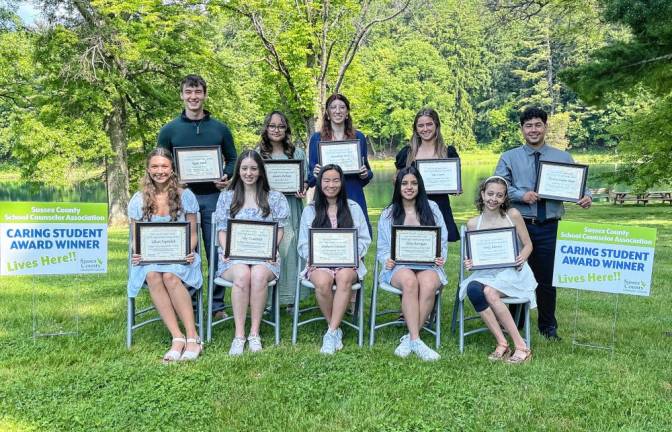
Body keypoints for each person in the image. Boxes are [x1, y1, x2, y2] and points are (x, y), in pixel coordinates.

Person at [495, 107, 592, 340]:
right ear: (521, 129)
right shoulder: (509, 157)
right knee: (516, 273)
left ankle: (548, 328)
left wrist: (585, 196)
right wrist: (521, 195)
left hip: (550, 225)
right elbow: (498, 186)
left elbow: (579, 185)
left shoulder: (563, 157)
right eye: (528, 126)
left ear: (545, 127)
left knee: (548, 279)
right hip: (520, 226)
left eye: (538, 124)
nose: (533, 130)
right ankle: (515, 324)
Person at [158, 74, 237, 318]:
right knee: (186, 252)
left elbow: (233, 158)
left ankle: (216, 306)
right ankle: (189, 305)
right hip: (181, 200)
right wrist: (174, 181)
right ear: (182, 95)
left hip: (214, 198)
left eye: (198, 92)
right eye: (188, 92)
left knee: (216, 252)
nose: (193, 97)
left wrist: (226, 175)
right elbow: (160, 162)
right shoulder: (170, 130)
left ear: (204, 94)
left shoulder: (220, 128)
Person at [127, 148, 203, 362]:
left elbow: (193, 233)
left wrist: (189, 250)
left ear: (172, 169)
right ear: (148, 169)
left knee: (169, 275)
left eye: (164, 166)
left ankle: (193, 336)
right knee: (152, 274)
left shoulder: (185, 195)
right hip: (150, 258)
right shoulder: (138, 198)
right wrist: (138, 252)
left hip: (181, 255)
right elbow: (136, 237)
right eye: (155, 166)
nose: (159, 171)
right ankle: (176, 337)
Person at [214, 150, 289, 355]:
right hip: (233, 256)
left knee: (257, 274)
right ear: (238, 170)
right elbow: (221, 230)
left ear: (261, 171)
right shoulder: (226, 197)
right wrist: (227, 249)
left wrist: (270, 249)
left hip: (265, 256)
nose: (249, 173)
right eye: (245, 168)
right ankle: (239, 335)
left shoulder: (274, 198)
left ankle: (254, 332)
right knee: (242, 274)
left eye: (254, 168)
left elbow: (279, 229)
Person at [459, 176, 537, 363]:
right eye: (490, 194)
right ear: (482, 194)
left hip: (514, 271)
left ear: (504, 198)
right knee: (473, 290)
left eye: (499, 195)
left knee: (489, 292)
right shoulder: (473, 223)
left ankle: (521, 347)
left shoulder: (513, 215)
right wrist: (470, 263)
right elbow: (474, 255)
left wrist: (522, 256)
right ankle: (502, 343)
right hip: (488, 272)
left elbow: (528, 245)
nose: (493, 199)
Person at [298, 164, 371, 355]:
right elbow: (303, 244)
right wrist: (313, 257)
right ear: (320, 183)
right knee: (322, 282)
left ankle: (330, 332)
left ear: (342, 182)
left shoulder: (353, 208)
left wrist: (353, 255)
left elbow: (364, 239)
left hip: (348, 263)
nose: (331, 185)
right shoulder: (310, 210)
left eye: (336, 180)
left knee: (345, 278)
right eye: (327, 180)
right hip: (318, 263)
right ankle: (335, 328)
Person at [376, 166, 446, 361]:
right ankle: (416, 339)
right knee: (409, 282)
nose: (409, 187)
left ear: (420, 186)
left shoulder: (432, 208)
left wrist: (440, 256)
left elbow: (442, 240)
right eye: (404, 183)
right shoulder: (388, 214)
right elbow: (382, 247)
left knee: (430, 283)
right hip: (398, 266)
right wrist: (386, 259)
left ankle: (410, 339)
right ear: (398, 186)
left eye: (414, 183)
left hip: (428, 265)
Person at [255, 111, 309, 306]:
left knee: (291, 251)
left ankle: (291, 298)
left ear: (286, 129)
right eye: (272, 126)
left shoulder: (298, 153)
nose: (276, 130)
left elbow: (305, 180)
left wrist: (303, 187)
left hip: (292, 207)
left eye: (281, 126)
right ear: (266, 128)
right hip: (266, 209)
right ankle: (267, 299)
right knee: (269, 251)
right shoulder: (258, 153)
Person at [307, 93, 373, 234]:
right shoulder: (316, 139)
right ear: (328, 113)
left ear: (347, 112)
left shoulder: (359, 137)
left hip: (353, 194)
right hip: (325, 198)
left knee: (356, 237)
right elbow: (311, 178)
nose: (338, 111)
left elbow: (367, 174)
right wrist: (315, 173)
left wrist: (365, 174)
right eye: (333, 107)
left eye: (342, 107)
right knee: (324, 239)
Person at [395, 108, 460, 242]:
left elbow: (454, 182)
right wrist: (398, 181)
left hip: (440, 206)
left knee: (439, 251)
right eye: (420, 125)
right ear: (416, 129)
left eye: (429, 124)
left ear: (436, 125)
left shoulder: (448, 153)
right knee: (414, 244)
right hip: (412, 207)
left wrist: (456, 186)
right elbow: (397, 182)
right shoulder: (406, 153)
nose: (425, 129)